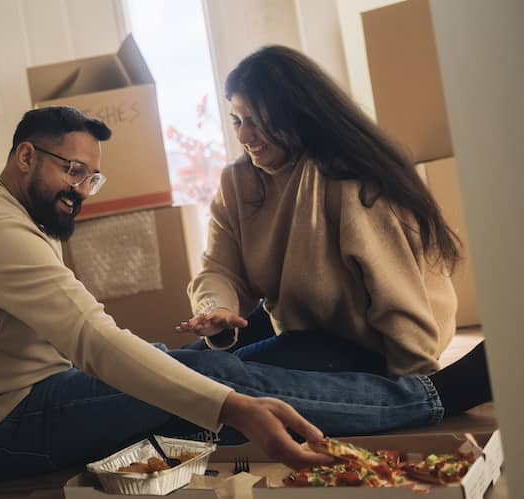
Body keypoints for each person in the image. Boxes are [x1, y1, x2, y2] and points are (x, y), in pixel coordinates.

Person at [0, 105, 491, 481]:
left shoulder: (14, 215)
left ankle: (359, 390)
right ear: (26, 156)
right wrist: (233, 404)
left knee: (197, 372)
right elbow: (94, 341)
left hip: (22, 403)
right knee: (219, 389)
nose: (81, 190)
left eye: (92, 176)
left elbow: (94, 345)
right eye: (72, 170)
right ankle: (429, 400)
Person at [176, 45, 480, 380]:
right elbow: (219, 267)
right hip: (304, 326)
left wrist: (417, 387)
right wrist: (216, 308)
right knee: (178, 368)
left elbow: (398, 298)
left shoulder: (348, 179)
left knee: (216, 380)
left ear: (298, 117)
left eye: (258, 122)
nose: (245, 136)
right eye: (237, 120)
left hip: (370, 342)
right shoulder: (237, 181)